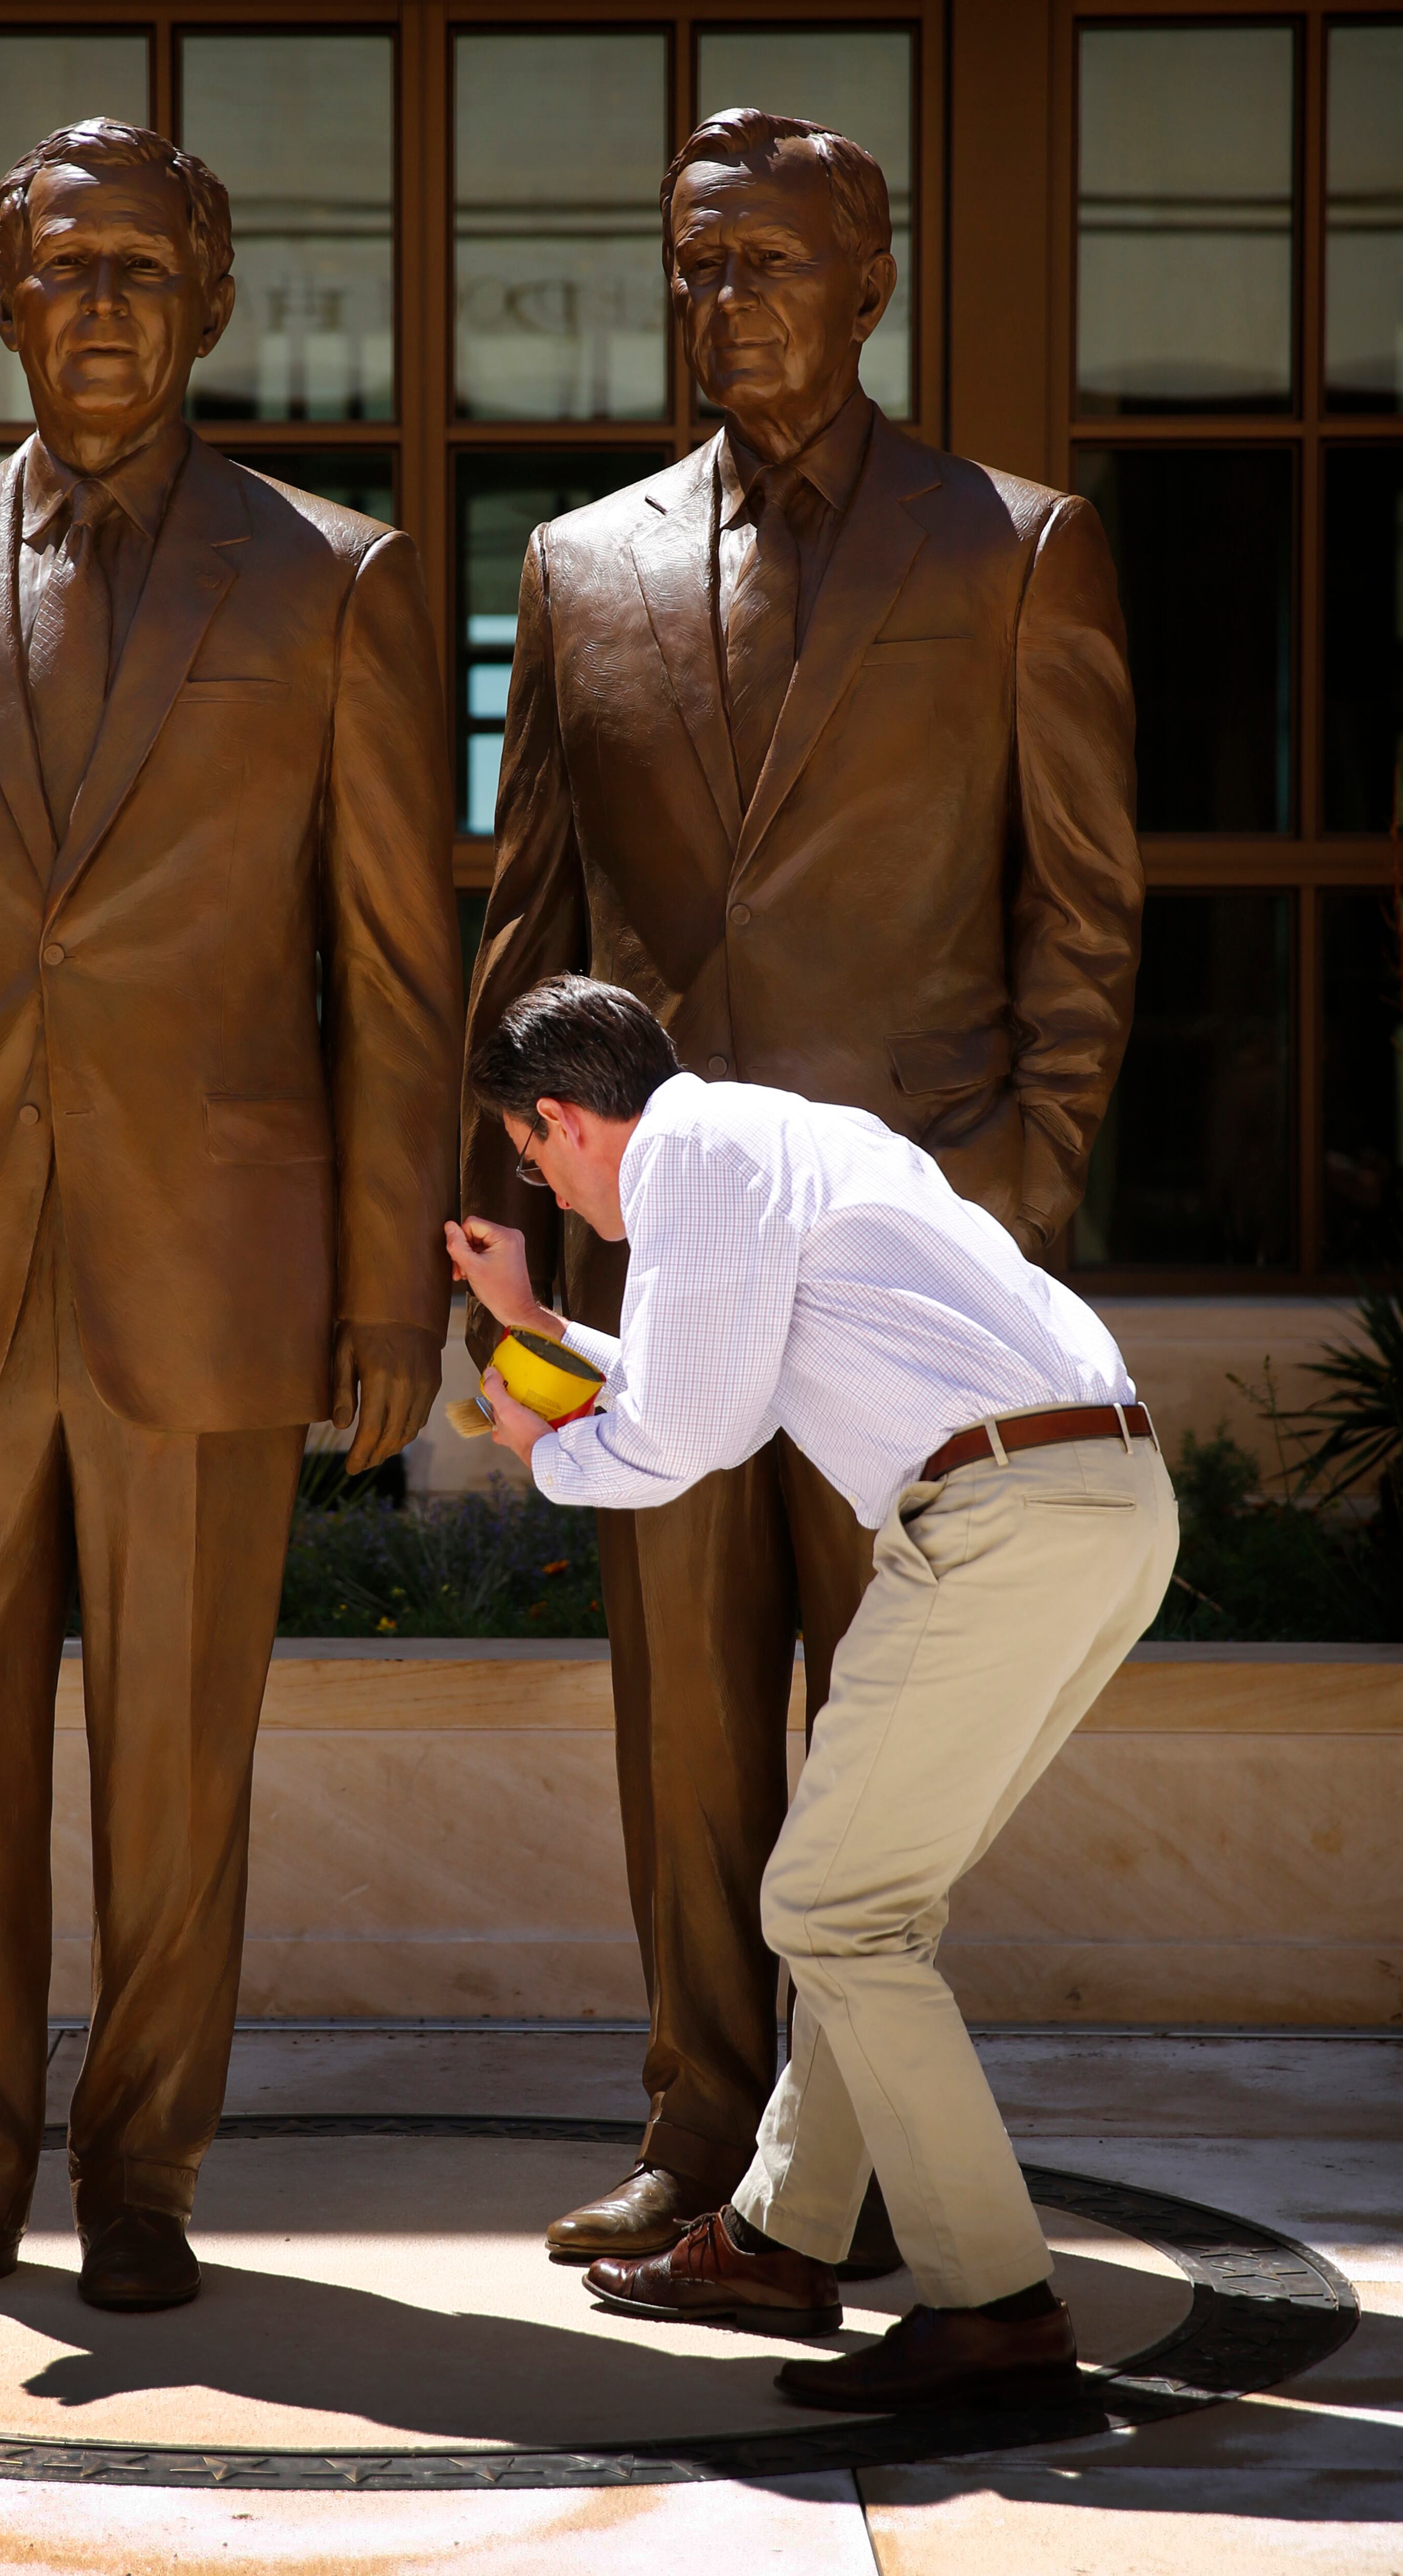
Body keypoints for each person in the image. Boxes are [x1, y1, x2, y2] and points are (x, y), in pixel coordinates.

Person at [0, 119, 459, 2321]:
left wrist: (387, 1290)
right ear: (3, 302)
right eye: (67, 270)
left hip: (211, 1276)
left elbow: (398, 977)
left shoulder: (334, 578)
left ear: (213, 303)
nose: (108, 306)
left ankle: (141, 2170)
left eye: (148, 267)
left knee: (178, 1766)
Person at [458, 107, 1140, 2270]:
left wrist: (1010, 1199)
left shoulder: (1012, 551)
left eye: (764, 262)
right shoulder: (581, 565)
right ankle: (699, 2140)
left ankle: (823, 2188)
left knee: (874, 1755)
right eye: (691, 268)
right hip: (663, 1254)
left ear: (872, 278)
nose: (721, 302)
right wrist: (506, 1225)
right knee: (684, 1723)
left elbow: (1085, 919)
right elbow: (529, 905)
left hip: (899, 1290)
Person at [447, 975, 1176, 2411]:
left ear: (558, 1120)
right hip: (1098, 1495)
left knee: (831, 1912)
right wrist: (535, 1316)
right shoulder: (778, 1138)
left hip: (1000, 1513)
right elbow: (716, 1372)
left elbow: (684, 1433)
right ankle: (778, 2239)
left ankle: (999, 2308)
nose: (536, 1175)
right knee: (874, 1903)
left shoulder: (690, 1166)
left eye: (527, 1153)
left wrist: (545, 1453)